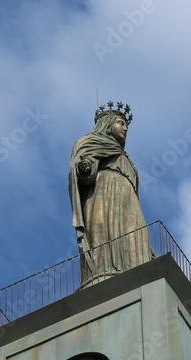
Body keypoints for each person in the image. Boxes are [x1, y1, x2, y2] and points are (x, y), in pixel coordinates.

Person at [69, 102, 152, 285]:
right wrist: (85, 168)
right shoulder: (88, 143)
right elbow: (82, 168)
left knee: (134, 233)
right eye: (120, 123)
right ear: (107, 123)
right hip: (102, 193)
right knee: (102, 233)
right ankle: (102, 272)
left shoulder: (123, 155)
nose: (125, 129)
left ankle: (136, 268)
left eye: (126, 126)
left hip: (128, 200)